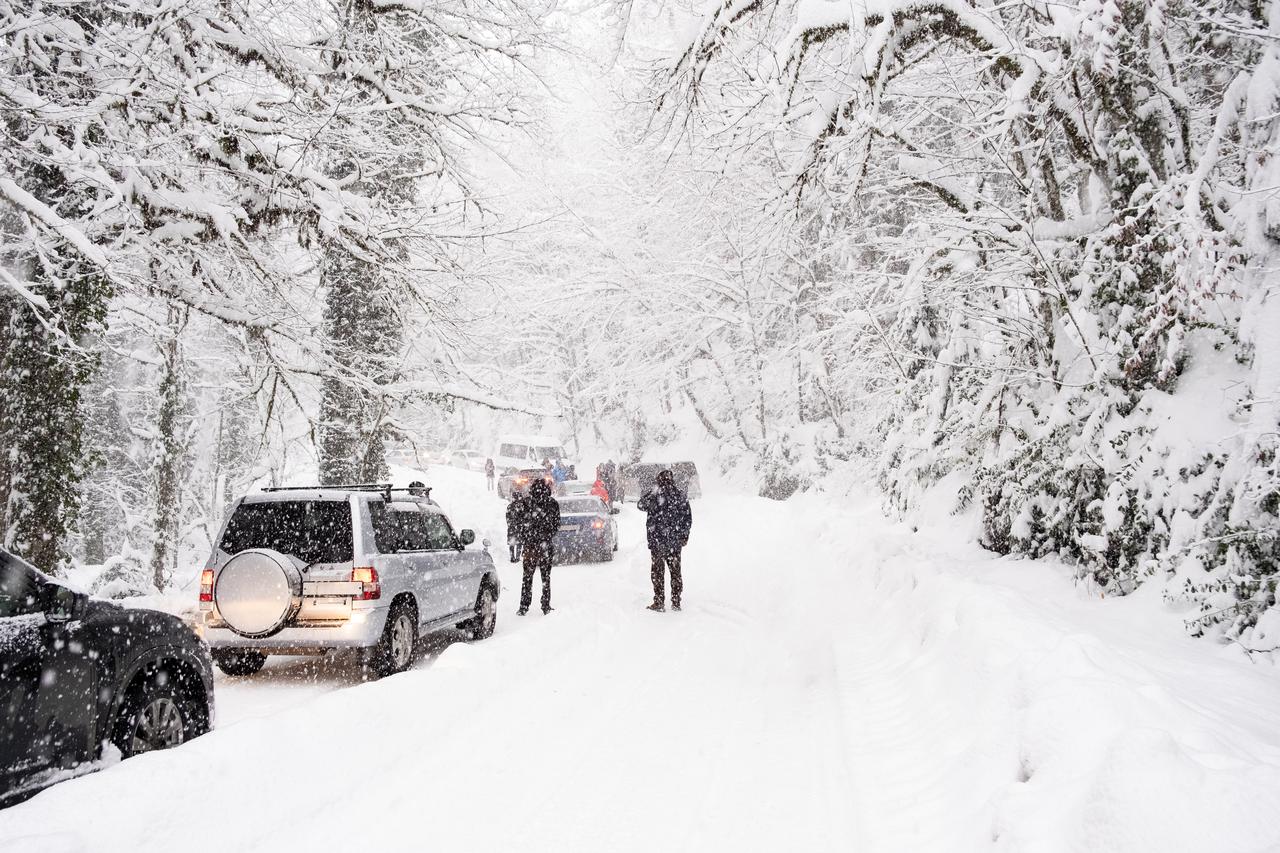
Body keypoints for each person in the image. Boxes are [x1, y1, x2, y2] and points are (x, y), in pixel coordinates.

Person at [637, 470, 693, 612]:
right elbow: (687, 518)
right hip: (674, 542)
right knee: (675, 572)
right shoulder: (679, 495)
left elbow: (640, 504)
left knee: (657, 572)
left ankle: (659, 602)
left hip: (657, 541)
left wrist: (653, 491)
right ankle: (676, 601)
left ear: (659, 480)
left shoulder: (655, 495)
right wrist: (684, 535)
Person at [517, 478, 560, 615]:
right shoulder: (552, 503)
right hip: (545, 545)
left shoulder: (526, 502)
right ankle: (545, 605)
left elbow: (519, 522)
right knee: (545, 577)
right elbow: (556, 524)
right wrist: (547, 535)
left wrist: (527, 537)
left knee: (527, 577)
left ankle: (524, 606)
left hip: (530, 545)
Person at [505, 489, 527, 563]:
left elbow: (507, 517)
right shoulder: (522, 506)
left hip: (513, 527)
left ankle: (513, 557)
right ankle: (516, 557)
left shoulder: (510, 506)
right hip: (519, 527)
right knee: (519, 543)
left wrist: (510, 524)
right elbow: (524, 517)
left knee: (513, 543)